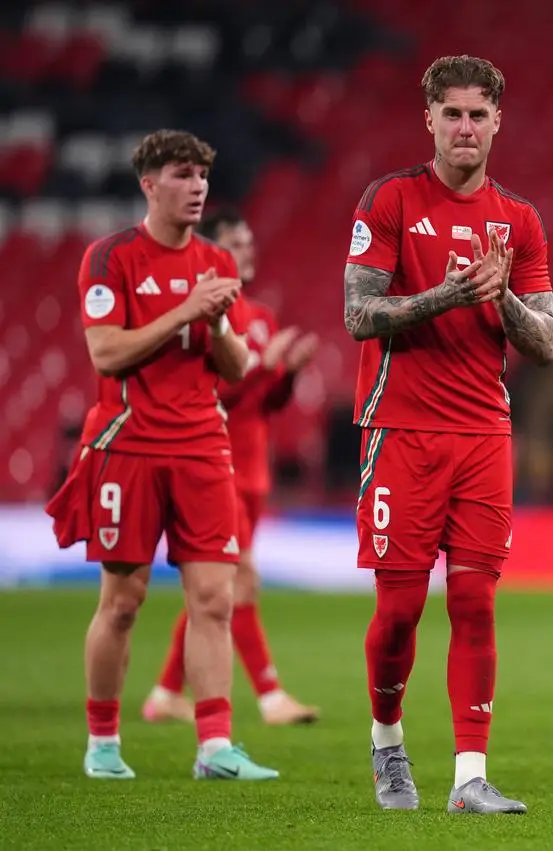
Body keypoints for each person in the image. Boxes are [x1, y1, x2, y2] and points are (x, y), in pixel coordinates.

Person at [341, 55, 553, 813]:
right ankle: (388, 741)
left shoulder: (520, 220)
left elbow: (547, 340)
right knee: (399, 610)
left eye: (478, 114)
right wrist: (447, 294)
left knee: (475, 601)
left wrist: (499, 304)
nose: (466, 127)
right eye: (453, 113)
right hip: (400, 429)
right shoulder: (392, 199)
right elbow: (359, 314)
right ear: (429, 119)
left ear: (498, 121)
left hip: (484, 434)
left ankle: (470, 774)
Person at [44, 129, 278, 781]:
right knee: (123, 600)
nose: (198, 186)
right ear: (150, 184)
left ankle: (214, 746)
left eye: (203, 175)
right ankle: (103, 742)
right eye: (183, 174)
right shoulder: (111, 256)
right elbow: (106, 352)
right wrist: (185, 308)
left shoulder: (217, 263)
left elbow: (233, 366)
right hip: (129, 441)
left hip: (203, 441)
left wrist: (219, 322)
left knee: (213, 597)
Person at [143, 208, 320, 727]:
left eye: (249, 243)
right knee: (240, 581)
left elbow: (263, 405)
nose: (248, 251)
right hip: (214, 465)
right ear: (212, 252)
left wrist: (285, 375)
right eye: (235, 244)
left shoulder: (261, 316)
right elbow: (210, 393)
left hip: (254, 472)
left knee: (217, 588)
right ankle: (270, 696)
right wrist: (262, 367)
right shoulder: (204, 318)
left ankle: (165, 693)